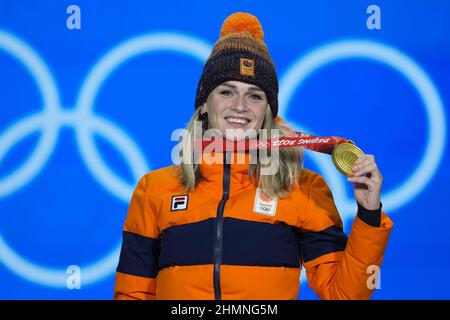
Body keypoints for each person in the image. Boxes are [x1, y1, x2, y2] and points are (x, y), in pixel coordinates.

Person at [113, 12, 393, 300]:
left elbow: (344, 295)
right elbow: (132, 294)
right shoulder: (154, 190)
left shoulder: (305, 190)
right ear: (205, 104)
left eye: (255, 96)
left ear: (268, 112)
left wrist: (369, 215)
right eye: (226, 92)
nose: (240, 107)